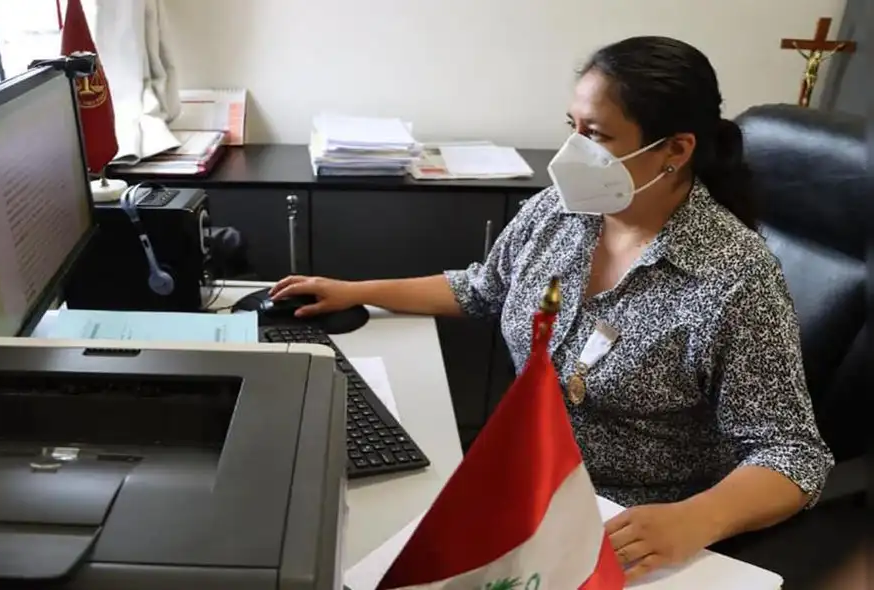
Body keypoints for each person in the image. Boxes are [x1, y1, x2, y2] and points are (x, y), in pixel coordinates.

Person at [270, 36, 834, 580]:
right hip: (524, 483)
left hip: (633, 527)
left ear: (676, 150)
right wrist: (357, 290)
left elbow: (793, 453)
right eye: (573, 128)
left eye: (597, 135)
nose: (573, 152)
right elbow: (484, 287)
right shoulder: (560, 212)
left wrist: (694, 519)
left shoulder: (736, 277)